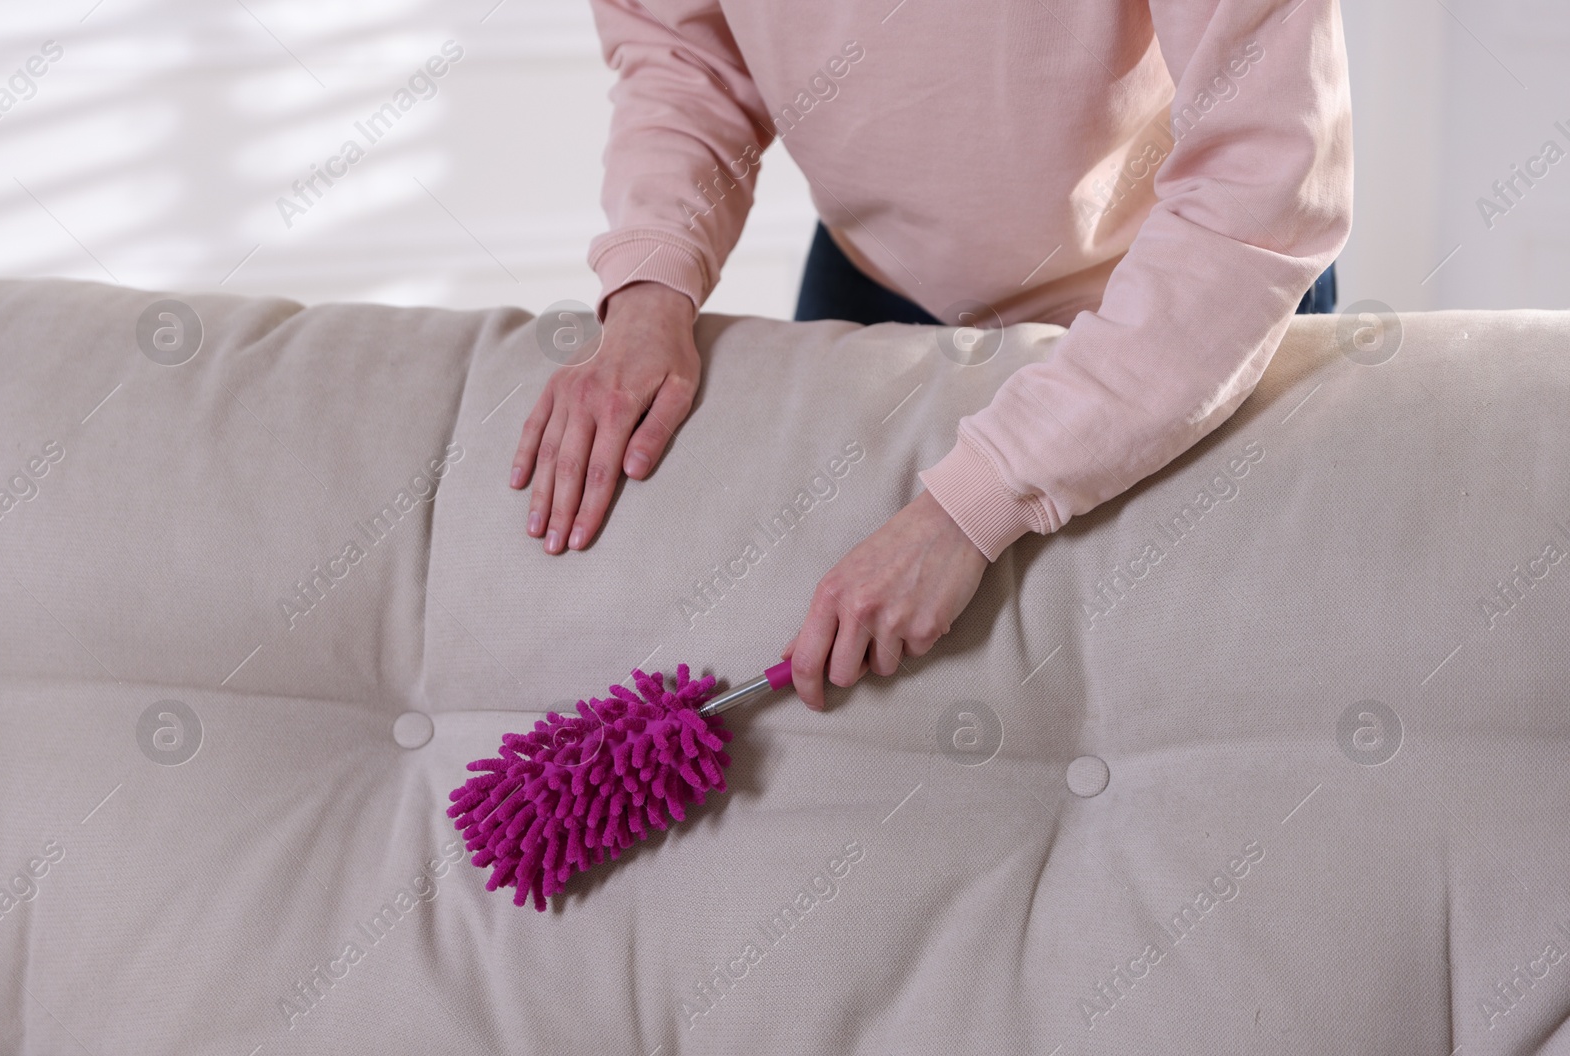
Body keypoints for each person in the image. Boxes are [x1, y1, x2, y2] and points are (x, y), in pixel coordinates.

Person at [511, 0, 1352, 711]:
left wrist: (975, 504)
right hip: (876, 283)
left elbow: (1259, 191)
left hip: (1179, 314)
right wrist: (652, 281)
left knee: (1192, 707)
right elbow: (684, 55)